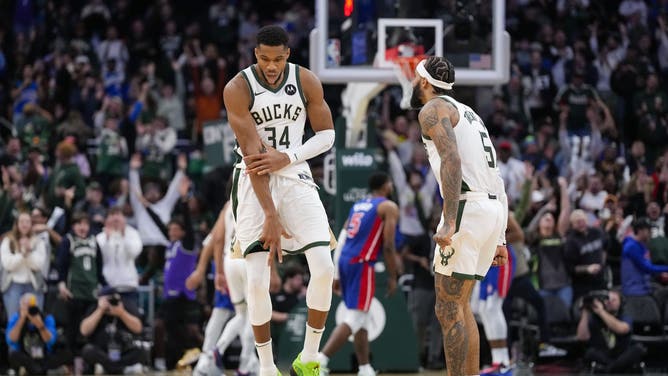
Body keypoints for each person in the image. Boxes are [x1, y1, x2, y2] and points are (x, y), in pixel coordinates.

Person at [223, 25, 336, 376]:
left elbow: (328, 136)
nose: (271, 66)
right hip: (253, 181)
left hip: (295, 175)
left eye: (277, 59)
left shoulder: (306, 81)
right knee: (257, 279)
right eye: (264, 58)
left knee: (324, 266)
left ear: (287, 54)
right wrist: (270, 215)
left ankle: (309, 358)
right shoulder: (238, 88)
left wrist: (288, 157)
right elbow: (255, 158)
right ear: (255, 54)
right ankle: (268, 368)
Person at [409, 56, 508, 376]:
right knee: (462, 306)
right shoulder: (470, 113)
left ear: (423, 82)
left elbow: (451, 159)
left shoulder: (432, 110)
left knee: (448, 307)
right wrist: (501, 236)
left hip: (466, 208)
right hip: (491, 208)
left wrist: (450, 219)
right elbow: (497, 175)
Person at [317, 172, 399, 376]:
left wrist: (336, 272)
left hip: (345, 260)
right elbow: (388, 246)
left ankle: (364, 368)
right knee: (357, 316)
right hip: (362, 263)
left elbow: (342, 237)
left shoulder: (358, 205)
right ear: (386, 185)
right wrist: (393, 276)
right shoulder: (388, 206)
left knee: (361, 315)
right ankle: (320, 361)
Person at [191, 201, 259, 376]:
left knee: (239, 314)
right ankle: (225, 359)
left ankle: (244, 359)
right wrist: (201, 269)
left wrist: (215, 269)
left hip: (227, 261)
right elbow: (214, 239)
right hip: (247, 258)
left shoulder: (228, 205)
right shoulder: (258, 195)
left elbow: (217, 238)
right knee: (246, 313)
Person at [575, 289, 646, 373]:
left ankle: (609, 370)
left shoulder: (625, 316)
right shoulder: (595, 317)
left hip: (622, 354)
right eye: (607, 299)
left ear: (621, 303)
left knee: (638, 349)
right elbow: (582, 337)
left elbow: (622, 329)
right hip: (603, 354)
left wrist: (601, 312)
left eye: (614, 300)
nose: (610, 302)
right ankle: (616, 368)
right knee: (589, 352)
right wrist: (585, 312)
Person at [79, 286, 144, 374]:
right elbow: (84, 331)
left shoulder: (126, 306)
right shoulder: (94, 308)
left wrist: (122, 313)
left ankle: (107, 367)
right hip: (102, 352)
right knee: (88, 350)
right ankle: (122, 368)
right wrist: (100, 310)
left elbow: (138, 328)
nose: (110, 302)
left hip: (123, 350)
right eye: (107, 300)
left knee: (141, 350)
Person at [7, 293, 72, 375]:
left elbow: (51, 341)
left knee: (66, 354)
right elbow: (11, 340)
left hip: (45, 356)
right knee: (13, 355)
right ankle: (46, 371)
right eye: (26, 306)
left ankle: (34, 370)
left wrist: (41, 327)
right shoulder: (16, 318)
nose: (29, 310)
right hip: (26, 356)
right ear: (20, 307)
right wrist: (21, 320)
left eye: (31, 307)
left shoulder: (46, 317)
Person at [0, 211, 47, 318]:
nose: (24, 224)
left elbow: (38, 265)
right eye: (21, 221)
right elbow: (7, 265)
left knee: (35, 321)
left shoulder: (39, 242)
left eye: (27, 221)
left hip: (34, 285)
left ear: (31, 224)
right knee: (14, 320)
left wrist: (29, 253)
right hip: (13, 286)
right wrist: (22, 254)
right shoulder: (8, 241)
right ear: (16, 224)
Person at [621, 217, 668, 306]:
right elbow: (646, 268)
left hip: (644, 289)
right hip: (634, 292)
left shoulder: (642, 245)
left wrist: (660, 274)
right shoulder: (631, 246)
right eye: (648, 230)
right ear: (640, 230)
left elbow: (646, 267)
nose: (650, 233)